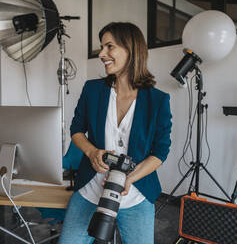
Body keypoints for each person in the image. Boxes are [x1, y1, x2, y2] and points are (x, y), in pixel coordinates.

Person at [59, 22, 172, 244]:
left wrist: (131, 178)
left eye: (109, 46)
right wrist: (91, 152)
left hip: (136, 194)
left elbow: (161, 150)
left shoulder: (158, 100)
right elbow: (77, 129)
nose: (102, 54)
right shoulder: (92, 90)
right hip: (90, 190)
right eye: (102, 47)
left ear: (131, 49)